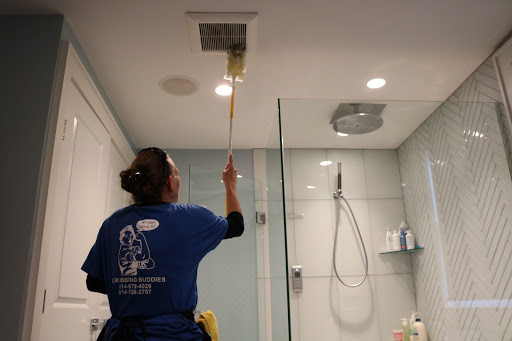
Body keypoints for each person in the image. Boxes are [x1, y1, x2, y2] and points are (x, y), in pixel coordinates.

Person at [81, 147, 244, 341]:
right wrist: (230, 185)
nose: (178, 178)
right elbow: (235, 226)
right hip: (176, 336)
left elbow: (94, 282)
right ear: (169, 183)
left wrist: (139, 286)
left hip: (121, 336)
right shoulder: (191, 217)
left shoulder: (112, 224)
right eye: (176, 173)